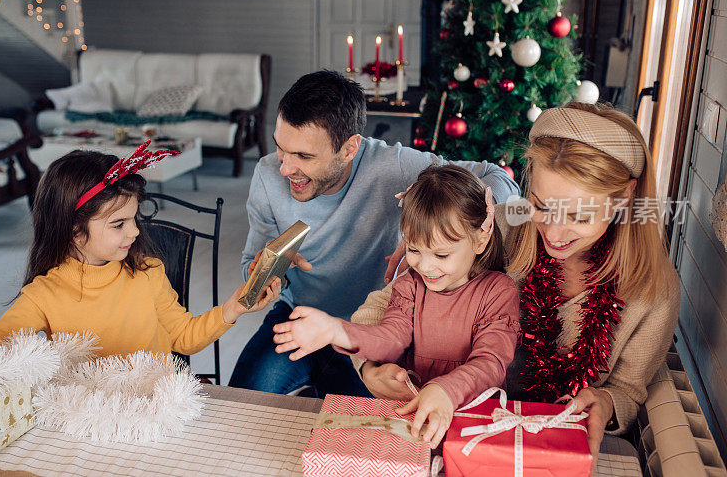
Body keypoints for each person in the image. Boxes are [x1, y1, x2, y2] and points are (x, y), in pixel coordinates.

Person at [353, 102, 680, 463]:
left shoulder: (654, 291)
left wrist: (605, 401)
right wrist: (370, 368)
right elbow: (384, 306)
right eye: (540, 205)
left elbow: (627, 392)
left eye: (578, 216)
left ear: (623, 197)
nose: (553, 233)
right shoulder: (496, 230)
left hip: (557, 454)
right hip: (458, 435)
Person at [228, 70, 519, 397]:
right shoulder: (267, 175)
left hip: (378, 325)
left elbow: (498, 177)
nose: (284, 168)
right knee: (241, 402)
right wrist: (267, 274)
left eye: (304, 156)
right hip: (300, 315)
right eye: (282, 149)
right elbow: (249, 268)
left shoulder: (393, 165)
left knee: (372, 423)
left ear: (350, 148)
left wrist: (426, 229)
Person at [0, 144, 281, 358]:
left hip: (153, 411)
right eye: (118, 224)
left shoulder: (148, 271)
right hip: (87, 423)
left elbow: (183, 338)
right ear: (74, 231)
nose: (135, 231)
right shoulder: (43, 295)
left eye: (133, 218)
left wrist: (234, 307)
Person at [271, 165, 519, 448]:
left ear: (480, 240)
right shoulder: (410, 284)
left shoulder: (498, 291)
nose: (425, 266)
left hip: (475, 429)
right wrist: (335, 330)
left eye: (440, 254)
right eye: (413, 250)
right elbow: (391, 338)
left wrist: (444, 390)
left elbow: (491, 363)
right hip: (411, 423)